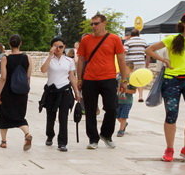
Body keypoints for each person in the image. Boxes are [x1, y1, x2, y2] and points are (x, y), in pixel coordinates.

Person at [144, 11, 185, 162]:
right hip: (172, 80)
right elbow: (149, 50)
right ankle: (169, 149)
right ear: (184, 23)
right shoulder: (172, 39)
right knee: (171, 115)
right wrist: (163, 60)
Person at [75, 14, 129, 149]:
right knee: (90, 110)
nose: (93, 26)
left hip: (108, 78)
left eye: (96, 24)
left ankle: (106, 134)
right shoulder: (86, 40)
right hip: (89, 79)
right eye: (92, 24)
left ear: (104, 23)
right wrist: (79, 78)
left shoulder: (114, 39)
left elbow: (121, 60)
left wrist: (124, 80)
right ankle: (93, 139)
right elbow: (80, 59)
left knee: (111, 108)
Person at [39, 37, 79, 151]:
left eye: (61, 46)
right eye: (55, 46)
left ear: (64, 47)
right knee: (50, 116)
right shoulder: (48, 59)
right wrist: (50, 56)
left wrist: (76, 91)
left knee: (63, 117)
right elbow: (43, 70)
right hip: (51, 91)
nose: (58, 49)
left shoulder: (69, 61)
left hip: (64, 91)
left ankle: (62, 142)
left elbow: (72, 76)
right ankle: (50, 135)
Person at [0, 33, 32, 150]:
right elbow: (28, 77)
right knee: (20, 116)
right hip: (22, 92)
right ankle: (27, 133)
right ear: (20, 43)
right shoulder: (28, 58)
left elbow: (3, 78)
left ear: (9, 44)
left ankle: (3, 141)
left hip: (8, 91)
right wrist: (26, 90)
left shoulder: (5, 59)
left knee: (4, 115)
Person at [123, 29, 149, 101]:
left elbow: (125, 52)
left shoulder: (128, 42)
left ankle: (125, 92)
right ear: (139, 34)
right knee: (139, 79)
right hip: (140, 62)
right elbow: (148, 52)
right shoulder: (144, 41)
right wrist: (147, 61)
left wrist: (122, 62)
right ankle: (140, 96)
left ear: (131, 35)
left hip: (130, 63)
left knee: (127, 77)